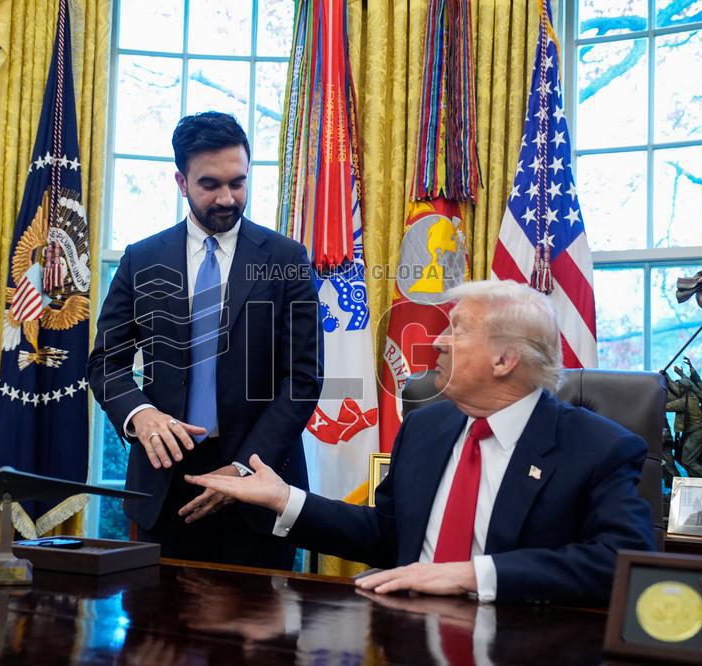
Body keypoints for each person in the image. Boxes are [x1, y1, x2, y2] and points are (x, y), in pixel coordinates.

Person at [188, 280, 655, 605]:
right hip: (407, 632)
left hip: (520, 639)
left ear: (504, 360)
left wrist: (470, 575)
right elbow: (386, 535)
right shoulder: (425, 428)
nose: (437, 343)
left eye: (457, 329)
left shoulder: (599, 448)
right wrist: (283, 498)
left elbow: (621, 564)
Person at [87, 112, 321, 569]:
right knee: (156, 614)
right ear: (181, 181)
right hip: (163, 482)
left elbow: (304, 377)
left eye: (238, 183)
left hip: (260, 481)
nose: (227, 198)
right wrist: (141, 414)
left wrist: (243, 468)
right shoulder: (141, 259)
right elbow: (106, 363)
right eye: (210, 184)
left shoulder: (287, 258)